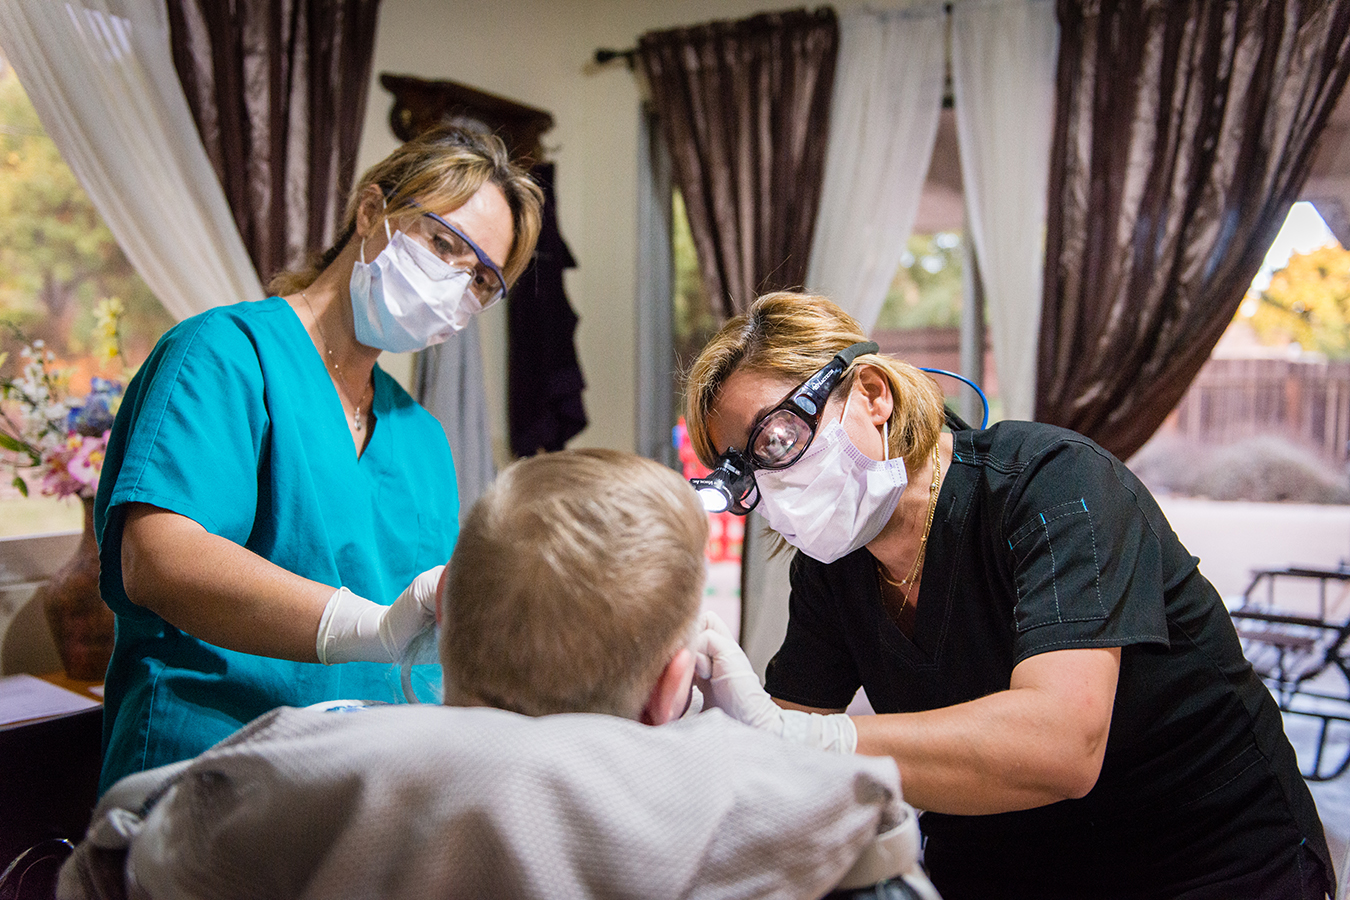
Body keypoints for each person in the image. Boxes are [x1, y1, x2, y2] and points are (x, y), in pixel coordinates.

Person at [684, 291, 1334, 900]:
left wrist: (812, 740)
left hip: (1205, 855)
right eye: (743, 470)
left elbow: (1061, 746)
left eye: (776, 439)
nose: (770, 486)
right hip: (1007, 858)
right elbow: (783, 748)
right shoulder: (833, 569)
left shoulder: (1053, 485)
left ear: (872, 394)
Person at [59, 450, 919, 900]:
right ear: (674, 687)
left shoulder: (271, 781)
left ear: (438, 638)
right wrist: (776, 740)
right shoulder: (792, 818)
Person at [92, 126, 544, 793]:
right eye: (444, 244)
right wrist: (373, 629)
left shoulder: (419, 436)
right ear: (371, 212)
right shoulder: (223, 355)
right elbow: (161, 562)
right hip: (208, 775)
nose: (455, 285)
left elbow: (434, 639)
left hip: (364, 794)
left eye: (482, 280)